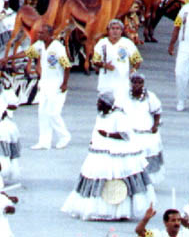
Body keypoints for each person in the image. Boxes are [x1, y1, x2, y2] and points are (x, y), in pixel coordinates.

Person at [61, 91, 155, 221]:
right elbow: (97, 131)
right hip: (100, 150)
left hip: (117, 152)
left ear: (107, 104)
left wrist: (107, 135)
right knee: (97, 178)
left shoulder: (119, 116)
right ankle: (100, 210)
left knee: (117, 180)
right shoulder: (100, 115)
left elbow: (125, 135)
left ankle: (119, 210)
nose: (97, 104)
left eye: (100, 103)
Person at [25, 21, 72, 150]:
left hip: (56, 85)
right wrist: (9, 58)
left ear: (50, 34)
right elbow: (27, 53)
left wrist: (64, 83)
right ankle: (44, 141)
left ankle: (64, 136)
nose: (39, 35)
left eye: (42, 33)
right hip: (45, 84)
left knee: (53, 113)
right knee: (42, 113)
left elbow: (67, 66)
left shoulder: (58, 47)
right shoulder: (40, 45)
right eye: (39, 32)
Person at [93, 18, 142, 100]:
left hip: (122, 84)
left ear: (121, 31)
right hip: (105, 84)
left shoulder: (127, 43)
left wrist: (133, 70)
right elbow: (95, 60)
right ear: (108, 30)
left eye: (117, 29)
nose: (115, 31)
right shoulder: (102, 43)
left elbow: (137, 60)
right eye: (112, 28)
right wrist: (104, 65)